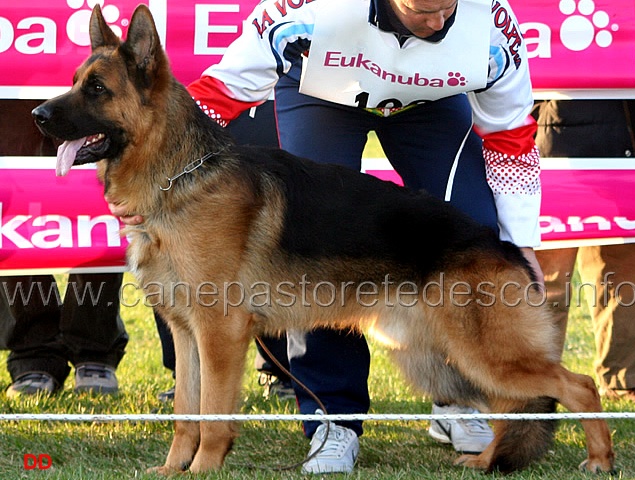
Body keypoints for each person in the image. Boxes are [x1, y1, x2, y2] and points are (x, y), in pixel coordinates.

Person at [113, 0, 541, 473]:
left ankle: (457, 400)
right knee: (309, 242)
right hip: (322, 93)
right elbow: (223, 89)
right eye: (422, 10)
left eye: (447, 8)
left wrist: (521, 240)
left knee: (470, 230)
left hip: (433, 102)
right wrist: (158, 176)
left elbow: (511, 135)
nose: (437, 22)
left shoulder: (492, 24)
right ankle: (333, 419)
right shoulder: (307, 8)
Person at [153, 101, 295, 403]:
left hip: (262, 97)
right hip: (207, 93)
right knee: (187, 300)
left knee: (223, 298)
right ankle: (190, 385)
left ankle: (285, 371)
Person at [0, 99, 128, 397]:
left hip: (77, 65)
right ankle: (33, 352)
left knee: (99, 199)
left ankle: (94, 347)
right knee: (13, 207)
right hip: (9, 78)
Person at [534, 99, 635, 402]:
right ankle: (533, 378)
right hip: (561, 153)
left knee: (626, 269)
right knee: (547, 276)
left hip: (628, 150)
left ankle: (625, 378)